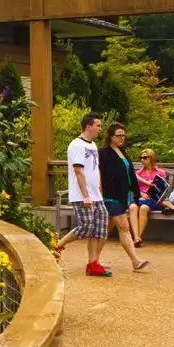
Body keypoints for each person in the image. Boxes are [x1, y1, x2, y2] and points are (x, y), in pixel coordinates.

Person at [51, 114, 110, 276]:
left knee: (99, 229)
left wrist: (99, 193)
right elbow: (78, 171)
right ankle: (56, 246)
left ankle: (93, 264)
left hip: (96, 195)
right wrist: (85, 195)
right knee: (86, 227)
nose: (100, 129)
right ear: (88, 126)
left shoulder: (93, 145)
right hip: (82, 195)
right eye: (97, 125)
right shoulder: (76, 145)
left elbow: (95, 170)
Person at [98, 123, 150, 272]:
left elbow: (130, 173)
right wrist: (100, 193)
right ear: (110, 136)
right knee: (124, 227)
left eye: (123, 135)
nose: (122, 138)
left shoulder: (121, 151)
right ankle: (135, 261)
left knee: (103, 230)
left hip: (122, 195)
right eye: (118, 135)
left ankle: (93, 260)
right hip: (110, 195)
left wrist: (137, 191)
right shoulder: (104, 153)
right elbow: (99, 174)